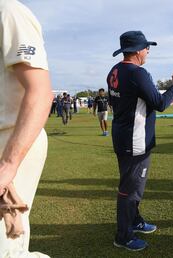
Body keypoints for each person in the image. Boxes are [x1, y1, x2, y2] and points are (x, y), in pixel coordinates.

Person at [107, 30, 173, 251]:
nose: (148, 51)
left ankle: (134, 220)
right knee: (130, 189)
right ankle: (123, 236)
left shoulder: (114, 70)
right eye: (146, 47)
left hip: (124, 135)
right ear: (138, 51)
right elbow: (160, 103)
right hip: (135, 139)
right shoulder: (137, 73)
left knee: (132, 185)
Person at [0, 0, 53, 257]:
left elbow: (40, 92)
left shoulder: (8, 12)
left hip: (11, 140)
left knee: (7, 245)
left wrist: (8, 165)